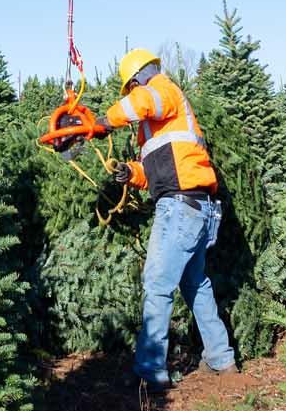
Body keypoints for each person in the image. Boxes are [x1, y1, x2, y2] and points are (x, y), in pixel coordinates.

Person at [87, 48, 237, 389]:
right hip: (196, 207)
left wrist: (103, 123)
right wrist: (133, 173)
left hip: (180, 208)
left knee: (157, 284)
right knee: (195, 284)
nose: (132, 93)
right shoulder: (161, 122)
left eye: (131, 87)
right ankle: (221, 358)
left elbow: (140, 102)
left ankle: (150, 371)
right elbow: (160, 170)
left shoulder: (162, 90)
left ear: (139, 78)